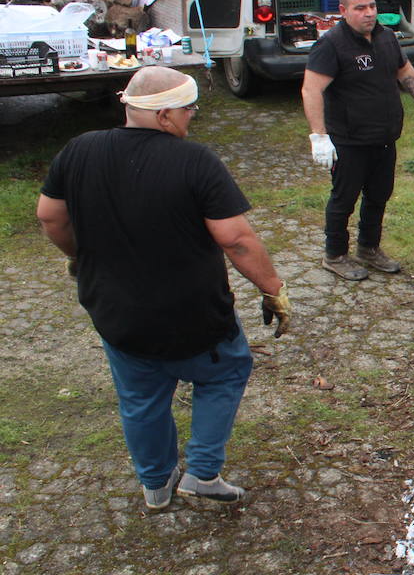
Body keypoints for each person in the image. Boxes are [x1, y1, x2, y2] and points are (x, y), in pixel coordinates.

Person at [36, 66, 291, 509]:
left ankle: (155, 486)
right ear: (167, 115)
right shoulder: (195, 162)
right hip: (192, 314)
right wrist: (273, 288)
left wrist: (80, 255)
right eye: (190, 110)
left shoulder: (79, 150)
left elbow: (50, 217)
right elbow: (235, 239)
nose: (192, 118)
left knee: (140, 397)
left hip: (118, 313)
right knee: (225, 373)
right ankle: (203, 474)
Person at [302, 0, 414, 280]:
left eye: (372, 6)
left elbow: (403, 69)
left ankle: (368, 248)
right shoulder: (331, 44)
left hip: (385, 137)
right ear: (343, 10)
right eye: (360, 7)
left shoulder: (386, 37)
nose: (369, 13)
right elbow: (311, 90)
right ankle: (335, 255)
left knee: (379, 195)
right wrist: (319, 137)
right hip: (350, 140)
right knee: (344, 199)